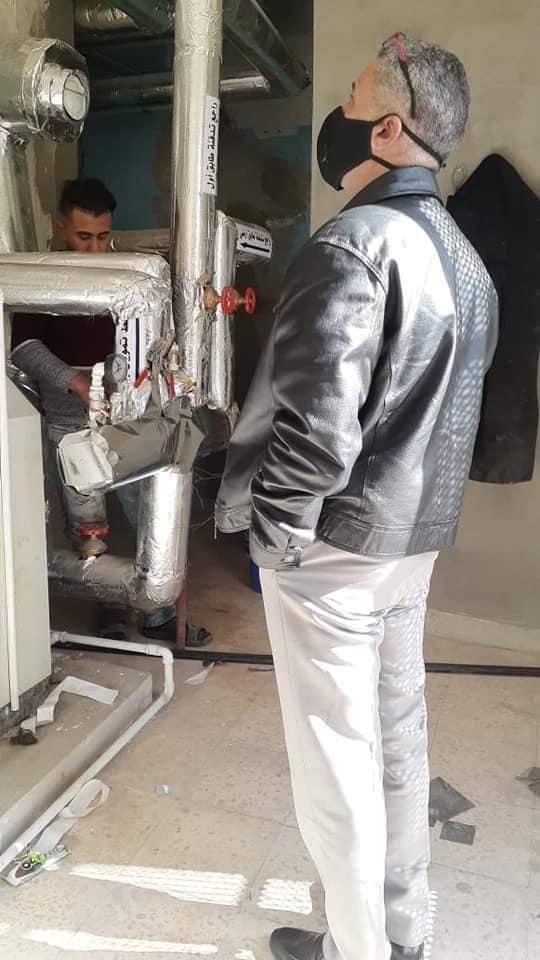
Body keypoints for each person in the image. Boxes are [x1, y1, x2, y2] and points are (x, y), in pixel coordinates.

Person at [216, 34, 498, 960]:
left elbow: (319, 430)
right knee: (396, 742)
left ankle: (359, 950)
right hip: (411, 546)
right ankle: (398, 934)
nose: (335, 116)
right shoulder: (466, 261)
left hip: (334, 553)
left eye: (349, 99)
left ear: (384, 130)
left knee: (336, 767)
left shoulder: (354, 244)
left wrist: (277, 537)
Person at [10, 177, 177, 640]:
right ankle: (109, 608)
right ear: (61, 226)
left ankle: (159, 613)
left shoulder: (125, 273)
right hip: (70, 421)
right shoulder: (39, 276)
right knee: (88, 527)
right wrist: (75, 381)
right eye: (84, 237)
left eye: (103, 237)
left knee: (148, 514)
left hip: (127, 419)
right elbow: (23, 347)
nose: (95, 248)